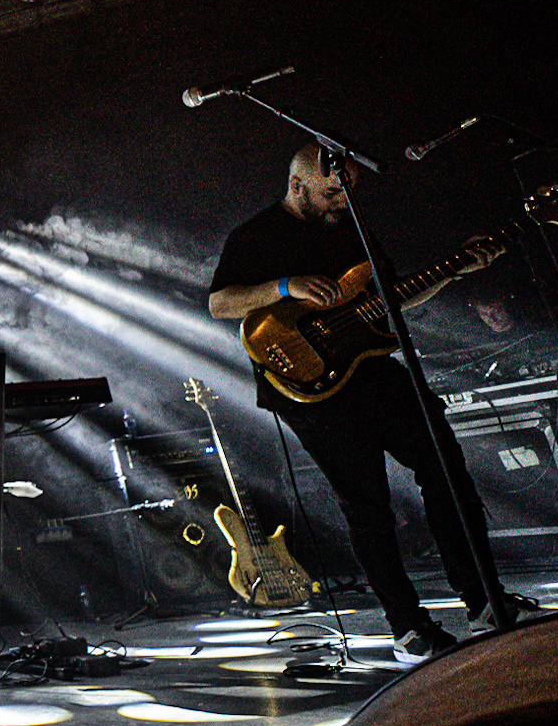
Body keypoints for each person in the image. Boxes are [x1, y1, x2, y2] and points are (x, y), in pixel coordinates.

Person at [207, 143, 532, 663]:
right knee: (368, 508)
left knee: (448, 473)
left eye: (350, 190)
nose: (344, 201)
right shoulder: (255, 235)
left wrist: (452, 270)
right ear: (297, 186)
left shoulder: (352, 226)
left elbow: (390, 298)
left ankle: (484, 602)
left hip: (374, 369)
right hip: (311, 387)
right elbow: (220, 302)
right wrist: (285, 286)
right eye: (332, 193)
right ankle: (407, 628)